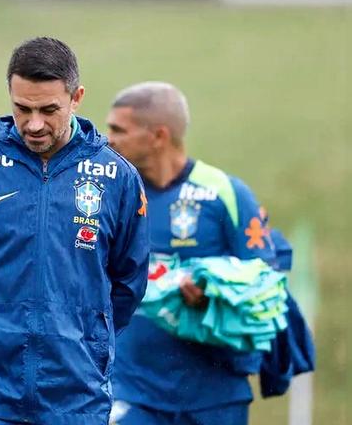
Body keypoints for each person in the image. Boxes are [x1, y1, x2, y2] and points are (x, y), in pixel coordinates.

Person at [0, 37, 150, 425]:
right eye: (22, 108)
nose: (34, 124)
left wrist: (86, 338)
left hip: (75, 391)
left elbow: (128, 283)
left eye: (48, 110)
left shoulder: (118, 178)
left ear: (76, 97)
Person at [105, 82, 277, 425]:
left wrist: (211, 297)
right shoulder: (112, 195)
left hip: (214, 397)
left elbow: (264, 287)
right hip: (132, 394)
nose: (108, 139)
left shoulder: (225, 194)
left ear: (158, 136)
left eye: (118, 130)